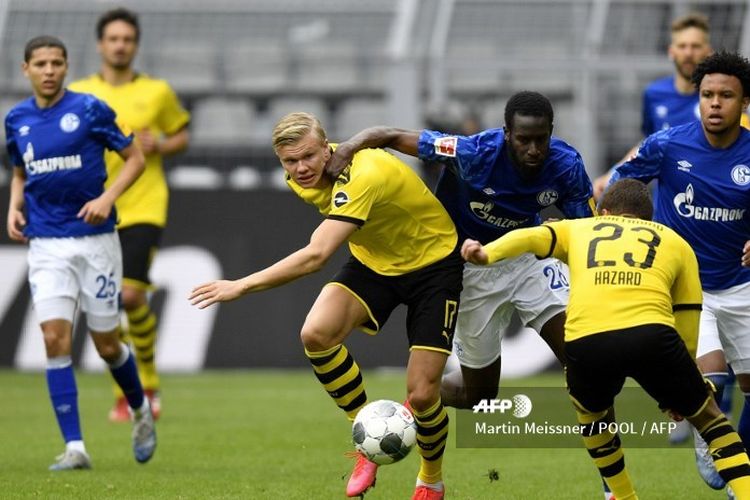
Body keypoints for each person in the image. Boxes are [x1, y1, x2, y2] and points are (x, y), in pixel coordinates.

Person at [189, 112, 463, 500]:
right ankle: (366, 437)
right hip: (375, 260)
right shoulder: (302, 177)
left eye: (308, 157)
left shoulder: (362, 174)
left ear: (327, 147)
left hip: (434, 265)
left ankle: (430, 480)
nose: (300, 169)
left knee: (421, 394)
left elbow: (316, 256)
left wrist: (241, 285)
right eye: (290, 161)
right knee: (316, 334)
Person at [462, 178, 750, 500]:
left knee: (593, 417)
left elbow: (529, 236)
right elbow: (687, 319)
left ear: (604, 211)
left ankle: (624, 497)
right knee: (709, 418)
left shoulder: (581, 227)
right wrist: (679, 387)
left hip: (587, 341)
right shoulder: (675, 242)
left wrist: (486, 252)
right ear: (648, 220)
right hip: (652, 335)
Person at [328, 91, 595, 410]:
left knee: (581, 355)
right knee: (478, 395)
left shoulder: (566, 165)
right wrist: (346, 148)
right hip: (469, 270)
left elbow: (587, 230)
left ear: (551, 131)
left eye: (542, 139)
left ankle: (605, 441)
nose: (534, 149)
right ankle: (411, 407)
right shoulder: (473, 153)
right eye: (524, 139)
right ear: (507, 133)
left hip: (527, 262)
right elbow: (389, 135)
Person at [4, 35, 155, 470]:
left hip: (95, 242)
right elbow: (20, 169)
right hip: (46, 242)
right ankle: (76, 447)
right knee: (54, 339)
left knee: (107, 345)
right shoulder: (17, 119)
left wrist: (108, 199)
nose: (49, 70)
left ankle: (141, 412)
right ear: (26, 69)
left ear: (66, 66)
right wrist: (16, 204)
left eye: (57, 62)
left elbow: (135, 159)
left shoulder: (89, 109)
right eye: (41, 64)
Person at [609, 50, 750, 493]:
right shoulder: (668, 145)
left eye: (726, 95)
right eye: (707, 94)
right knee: (708, 381)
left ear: (744, 103)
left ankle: (738, 458)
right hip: (688, 289)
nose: (714, 103)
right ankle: (717, 450)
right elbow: (617, 189)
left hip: (742, 286)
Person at [69, 7, 191, 422]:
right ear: (101, 44)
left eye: (127, 39)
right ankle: (127, 391)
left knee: (131, 294)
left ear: (135, 45)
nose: (120, 45)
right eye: (113, 39)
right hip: (93, 206)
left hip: (144, 204)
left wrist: (160, 143)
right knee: (101, 303)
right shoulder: (80, 92)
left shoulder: (157, 92)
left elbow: (181, 134)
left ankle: (149, 386)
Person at [592, 12, 714, 200]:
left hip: (710, 198)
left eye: (696, 46)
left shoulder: (719, 97)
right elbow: (648, 143)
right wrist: (612, 174)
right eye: (682, 46)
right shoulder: (654, 94)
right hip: (666, 203)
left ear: (708, 51)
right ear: (671, 51)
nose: (688, 53)